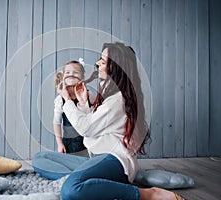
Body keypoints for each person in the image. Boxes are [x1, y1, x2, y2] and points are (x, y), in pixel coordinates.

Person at [33, 42, 185, 200]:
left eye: (103, 62)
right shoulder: (109, 95)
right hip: (97, 159)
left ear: (116, 68)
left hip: (114, 160)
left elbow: (85, 128)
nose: (97, 63)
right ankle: (94, 180)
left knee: (70, 190)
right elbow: (95, 125)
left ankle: (148, 194)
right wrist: (84, 103)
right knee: (40, 158)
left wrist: (67, 100)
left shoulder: (117, 100)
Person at [53, 59, 97, 155]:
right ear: (63, 76)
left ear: (82, 78)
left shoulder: (89, 95)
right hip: (69, 142)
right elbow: (56, 122)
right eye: (67, 72)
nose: (71, 74)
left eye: (76, 72)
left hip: (87, 142)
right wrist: (60, 143)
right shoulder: (60, 100)